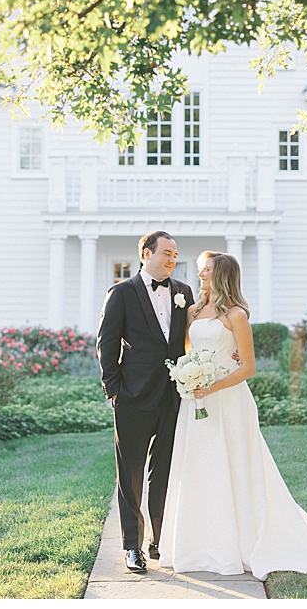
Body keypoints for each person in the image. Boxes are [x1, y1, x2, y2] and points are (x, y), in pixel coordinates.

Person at [158, 251, 307, 581]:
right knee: (200, 465)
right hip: (196, 399)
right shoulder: (194, 310)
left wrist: (213, 386)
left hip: (228, 400)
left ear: (222, 273)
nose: (201, 275)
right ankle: (199, 545)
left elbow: (249, 367)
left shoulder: (237, 315)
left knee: (234, 466)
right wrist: (190, 376)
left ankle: (236, 543)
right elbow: (187, 351)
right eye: (200, 270)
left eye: (206, 270)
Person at [96, 230, 195, 573]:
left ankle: (159, 540)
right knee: (131, 475)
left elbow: (187, 341)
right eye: (166, 253)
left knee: (165, 472)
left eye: (174, 254)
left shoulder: (183, 292)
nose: (171, 259)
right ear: (146, 254)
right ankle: (131, 546)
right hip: (132, 399)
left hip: (172, 397)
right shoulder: (121, 293)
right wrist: (114, 391)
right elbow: (107, 344)